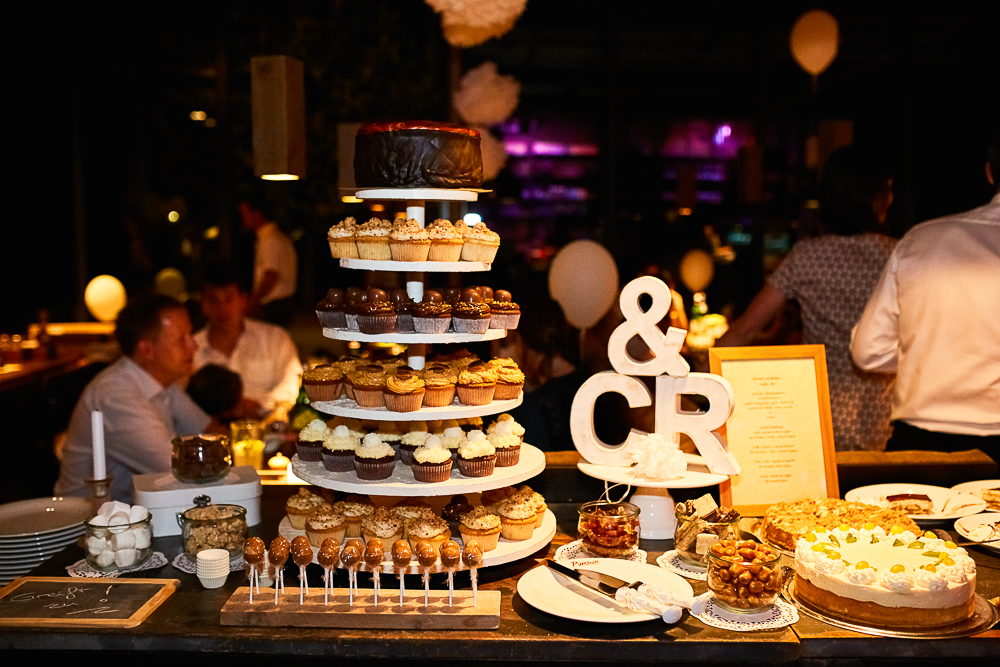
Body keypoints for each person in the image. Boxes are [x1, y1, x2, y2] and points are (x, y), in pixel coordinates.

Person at [716, 146, 897, 451]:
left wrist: (696, 382)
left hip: (818, 420)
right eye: (887, 190)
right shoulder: (898, 256)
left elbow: (745, 330)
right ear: (876, 197)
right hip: (884, 423)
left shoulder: (808, 256)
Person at [851, 139, 1000, 456]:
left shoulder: (922, 238)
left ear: (990, 172)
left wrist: (934, 354)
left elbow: (867, 351)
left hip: (922, 444)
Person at [55, 294, 221, 502]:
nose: (194, 346)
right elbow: (180, 470)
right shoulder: (115, 395)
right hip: (87, 517)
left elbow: (211, 432)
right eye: (182, 339)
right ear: (146, 350)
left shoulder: (164, 382)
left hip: (131, 511)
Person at [193, 263, 302, 415]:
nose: (222, 308)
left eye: (229, 299)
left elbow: (291, 382)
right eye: (213, 300)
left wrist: (260, 406)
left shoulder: (275, 338)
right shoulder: (191, 348)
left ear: (243, 300)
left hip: (269, 421)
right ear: (202, 304)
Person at [239, 194, 297, 326]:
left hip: (273, 305)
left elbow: (271, 275)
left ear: (257, 213)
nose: (243, 219)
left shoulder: (269, 240)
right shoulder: (278, 236)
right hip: (283, 303)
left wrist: (253, 301)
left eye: (245, 214)